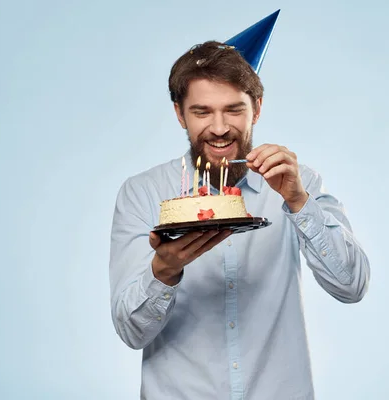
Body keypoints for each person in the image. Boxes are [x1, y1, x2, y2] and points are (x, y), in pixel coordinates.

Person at [108, 39, 370, 400]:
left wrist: (297, 201)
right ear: (179, 114)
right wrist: (163, 271)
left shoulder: (297, 181)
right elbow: (131, 332)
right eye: (201, 112)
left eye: (233, 110)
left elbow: (352, 286)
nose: (219, 128)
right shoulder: (143, 193)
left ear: (256, 109)